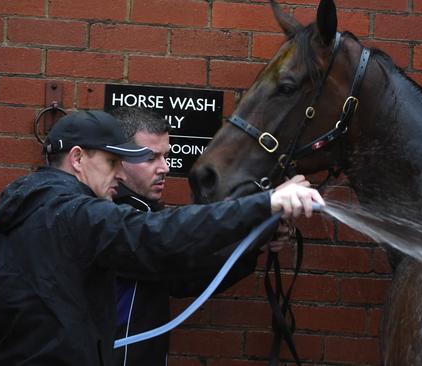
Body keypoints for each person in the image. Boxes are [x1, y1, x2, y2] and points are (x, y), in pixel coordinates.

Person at [0, 110, 324, 366]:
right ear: (78, 159)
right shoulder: (81, 214)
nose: (118, 173)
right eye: (112, 162)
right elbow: (160, 235)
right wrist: (266, 203)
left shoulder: (9, 225)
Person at [110, 107, 297, 365]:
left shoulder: (143, 210)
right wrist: (260, 211)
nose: (164, 167)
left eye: (166, 156)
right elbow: (174, 250)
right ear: (118, 157)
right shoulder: (107, 215)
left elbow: (184, 278)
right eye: (151, 158)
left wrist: (255, 242)